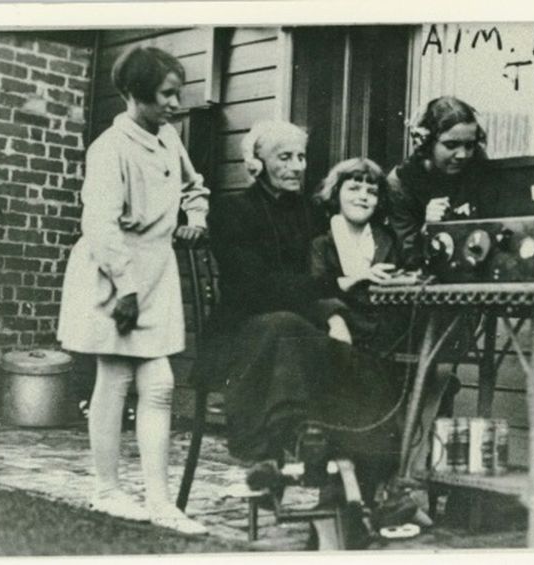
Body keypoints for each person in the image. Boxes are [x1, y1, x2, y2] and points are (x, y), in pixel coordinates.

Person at [204, 123, 407, 514]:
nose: (297, 166)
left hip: (302, 328)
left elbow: (317, 276)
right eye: (285, 157)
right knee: (284, 326)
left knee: (359, 360)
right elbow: (254, 287)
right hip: (242, 331)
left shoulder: (312, 214)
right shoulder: (232, 210)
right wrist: (332, 296)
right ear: (256, 163)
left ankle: (343, 478)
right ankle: (284, 446)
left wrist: (332, 313)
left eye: (301, 157)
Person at [57, 46, 208, 536]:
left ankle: (160, 501)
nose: (175, 104)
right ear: (136, 94)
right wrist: (124, 288)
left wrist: (196, 217)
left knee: (159, 384)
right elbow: (100, 224)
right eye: (166, 94)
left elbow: (193, 186)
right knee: (116, 377)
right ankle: (107, 490)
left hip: (155, 271)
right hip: (114, 272)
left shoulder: (168, 138)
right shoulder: (109, 148)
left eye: (177, 93)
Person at [310, 157, 406, 354]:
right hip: (339, 334)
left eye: (372, 192)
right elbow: (316, 290)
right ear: (336, 192)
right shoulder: (321, 243)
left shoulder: (388, 240)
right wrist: (359, 277)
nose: (363, 197)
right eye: (354, 188)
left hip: (386, 340)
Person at [387, 96, 493, 270]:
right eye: (451, 145)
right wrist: (427, 229)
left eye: (469, 145)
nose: (462, 155)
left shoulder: (478, 168)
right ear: (426, 143)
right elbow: (405, 256)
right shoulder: (400, 184)